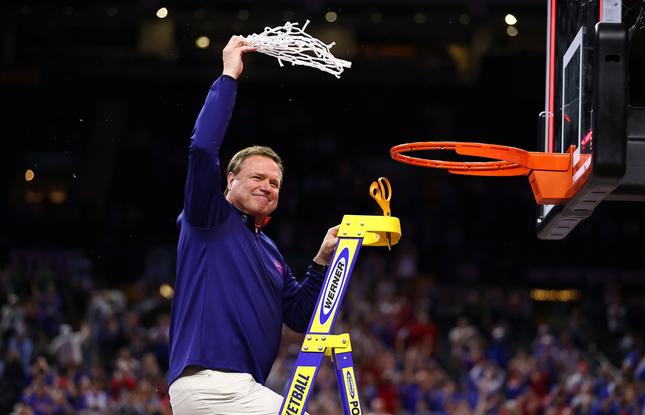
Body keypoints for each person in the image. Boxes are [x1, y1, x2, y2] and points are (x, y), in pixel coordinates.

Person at [167, 35, 339, 414]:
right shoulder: (208, 218)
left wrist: (322, 261)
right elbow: (201, 149)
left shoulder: (269, 249)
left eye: (275, 182)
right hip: (212, 383)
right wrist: (229, 74)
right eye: (257, 177)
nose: (267, 186)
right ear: (230, 180)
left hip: (238, 386)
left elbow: (298, 315)